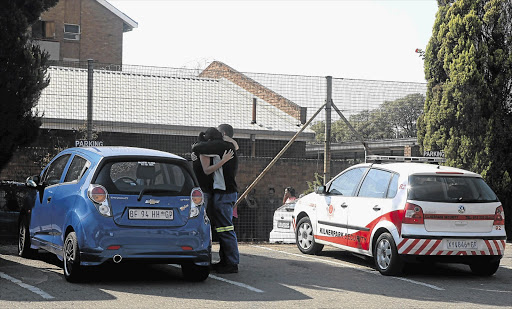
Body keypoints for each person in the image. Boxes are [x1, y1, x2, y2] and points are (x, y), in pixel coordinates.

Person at [192, 124, 239, 274]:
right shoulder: (229, 145)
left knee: (225, 229)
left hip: (224, 193)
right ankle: (226, 261)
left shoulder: (219, 147)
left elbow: (197, 148)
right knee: (224, 229)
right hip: (226, 193)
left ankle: (231, 263)